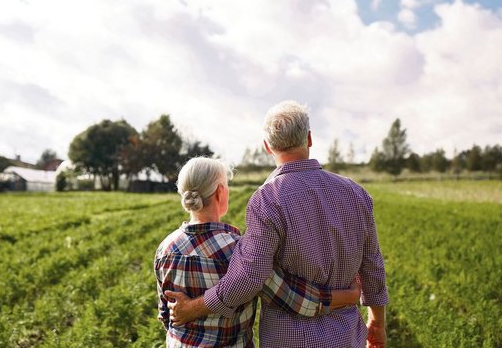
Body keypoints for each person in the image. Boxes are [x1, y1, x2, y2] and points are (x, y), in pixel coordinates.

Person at [166, 101, 389, 348]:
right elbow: (372, 266)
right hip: (347, 336)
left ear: (267, 147)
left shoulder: (267, 199)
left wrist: (193, 308)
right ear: (309, 138)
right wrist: (377, 322)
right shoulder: (356, 194)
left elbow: (249, 277)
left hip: (288, 339)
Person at [155, 157, 361, 347]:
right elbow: (292, 298)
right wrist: (346, 296)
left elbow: (166, 315)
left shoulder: (165, 249)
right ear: (220, 192)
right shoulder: (239, 250)